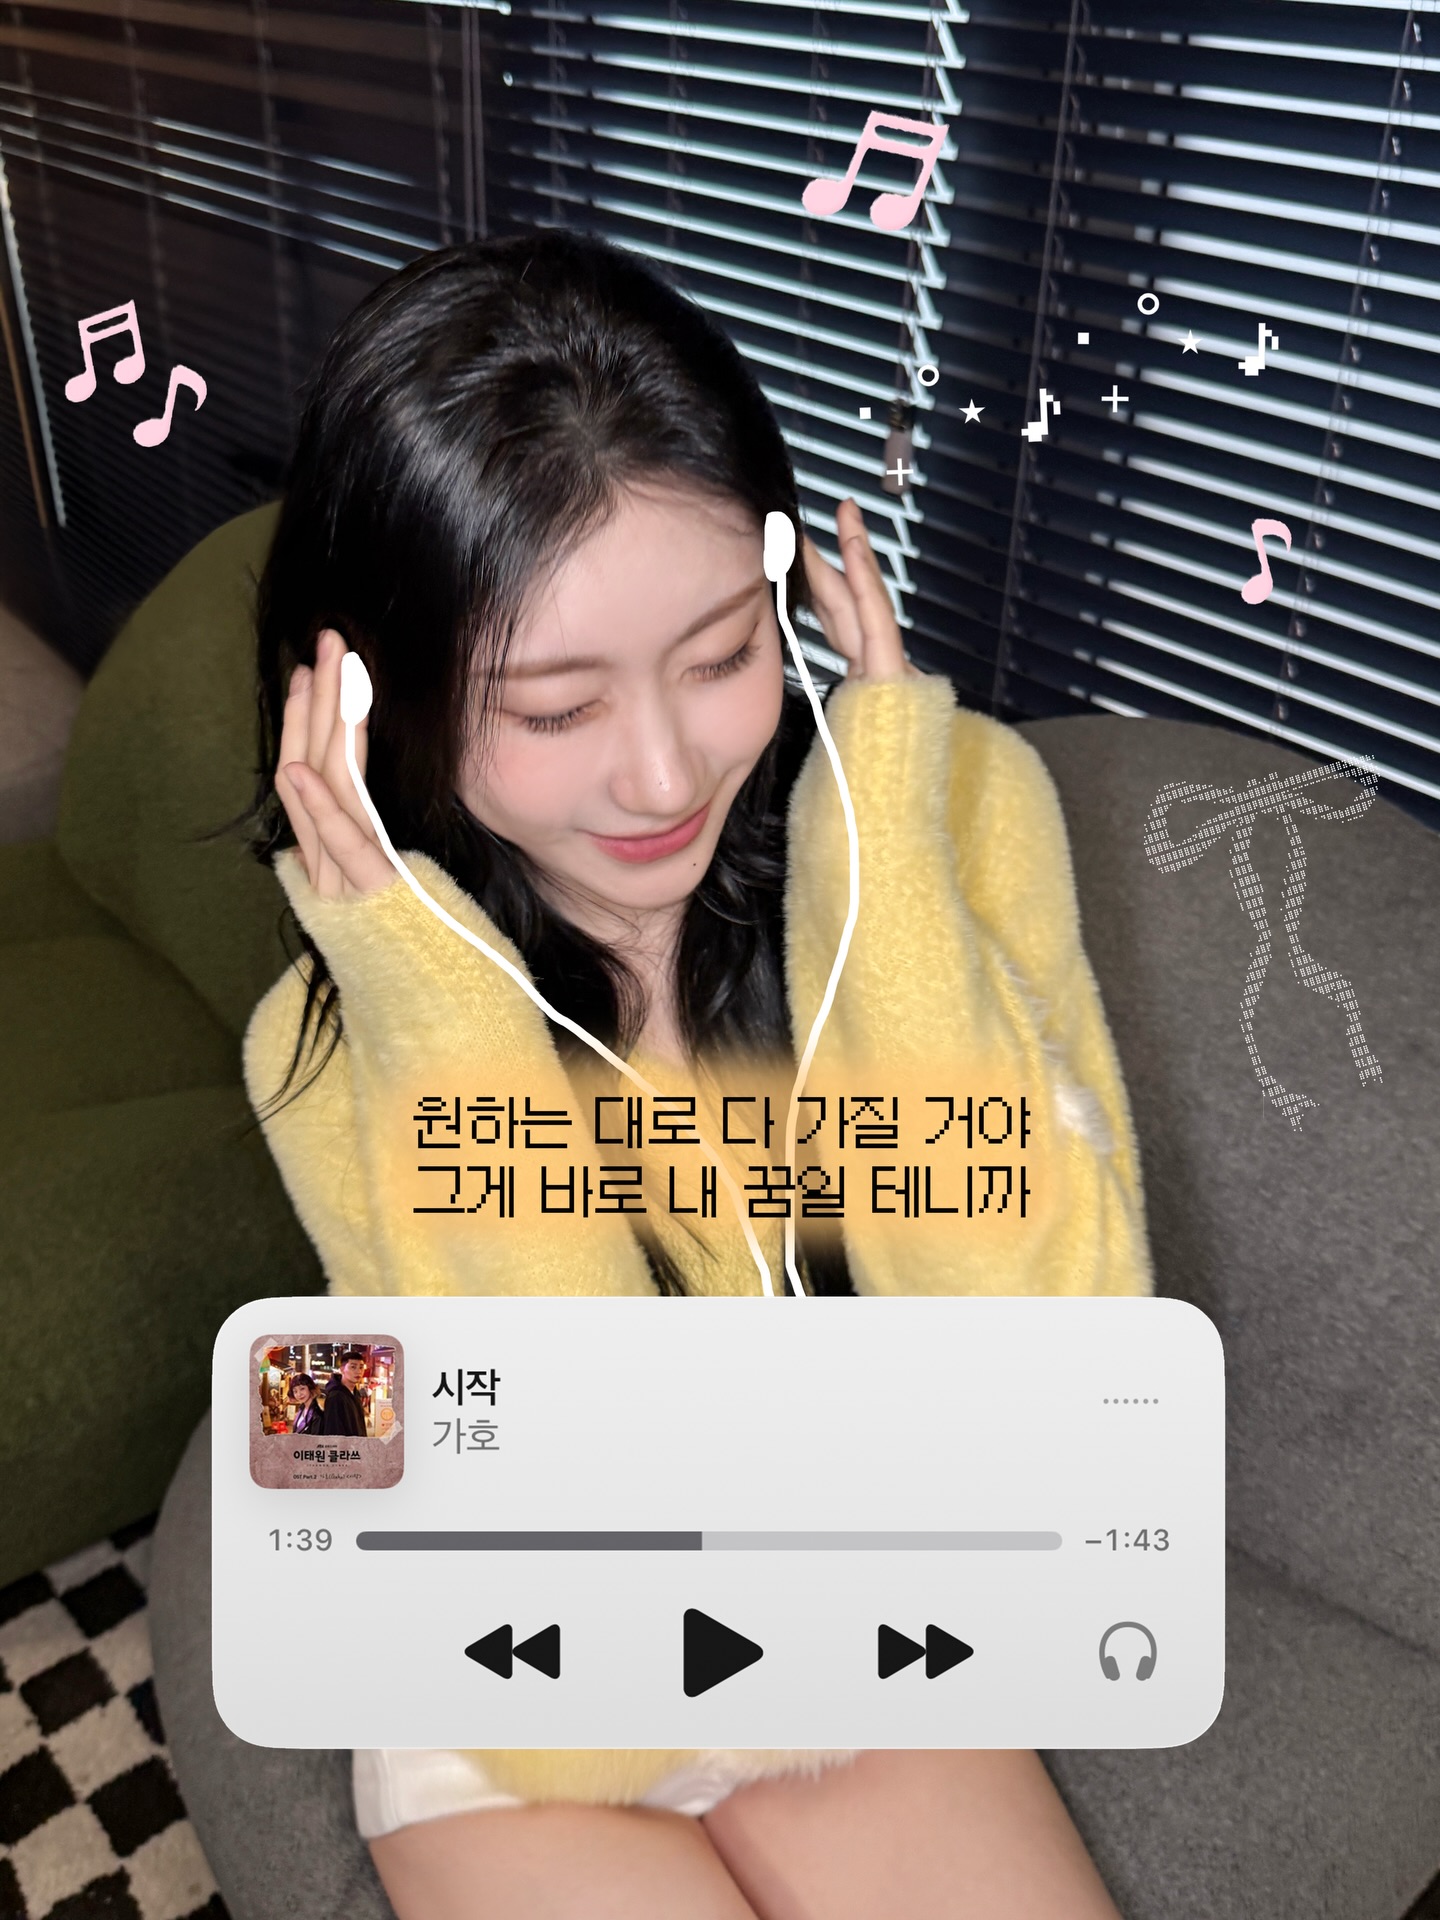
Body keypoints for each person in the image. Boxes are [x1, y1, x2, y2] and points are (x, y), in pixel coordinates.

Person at [244, 231, 1147, 1920]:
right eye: (552, 708)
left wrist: (883, 873)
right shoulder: (333, 1038)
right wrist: (447, 1023)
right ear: (371, 702)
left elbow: (1065, 1389)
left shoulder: (953, 820)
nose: (663, 776)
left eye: (725, 656)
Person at [319, 1351, 369, 1437]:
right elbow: (333, 1432)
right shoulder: (335, 1397)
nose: (358, 1371)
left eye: (361, 1367)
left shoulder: (355, 1393)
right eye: (353, 1367)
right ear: (342, 1369)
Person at [286, 1373, 324, 1437]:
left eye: (302, 1389)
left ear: (310, 1388)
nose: (299, 1394)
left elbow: (315, 1440)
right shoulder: (302, 1408)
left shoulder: (317, 1415)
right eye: (295, 1391)